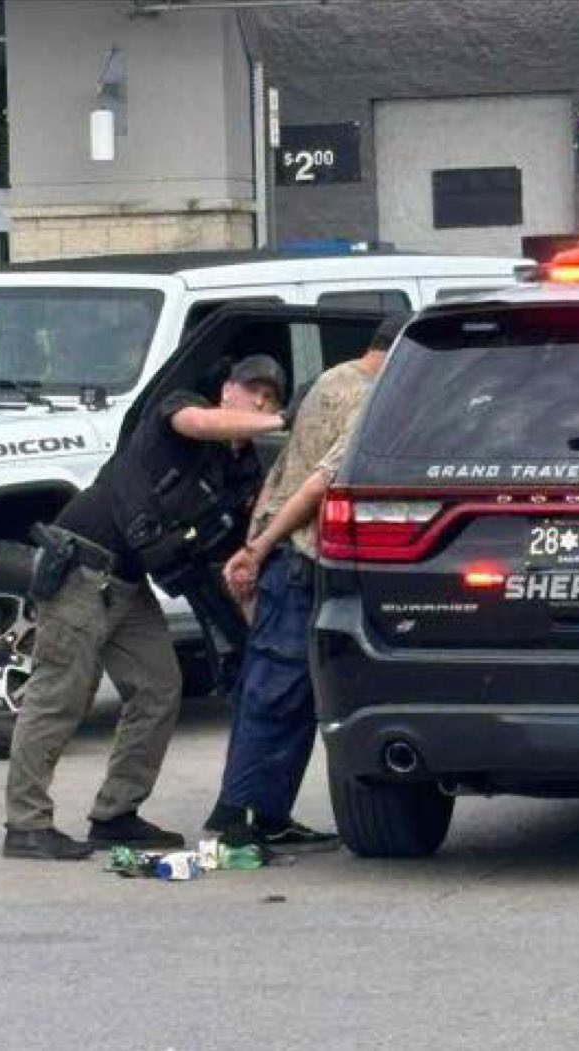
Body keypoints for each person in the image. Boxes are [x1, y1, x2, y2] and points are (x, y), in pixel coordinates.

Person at [3, 354, 287, 861]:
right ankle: (26, 825)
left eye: (271, 397)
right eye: (253, 393)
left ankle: (116, 813)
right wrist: (281, 422)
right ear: (228, 392)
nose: (260, 402)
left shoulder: (238, 471)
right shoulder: (180, 412)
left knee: (159, 689)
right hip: (81, 567)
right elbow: (200, 423)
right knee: (59, 695)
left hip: (129, 584)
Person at [203, 315, 410, 851]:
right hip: (300, 556)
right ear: (396, 352)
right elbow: (319, 482)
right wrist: (262, 545)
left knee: (271, 690)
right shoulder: (371, 398)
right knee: (281, 692)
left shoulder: (328, 380)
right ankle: (241, 817)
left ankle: (263, 814)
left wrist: (251, 549)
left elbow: (282, 470)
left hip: (279, 559)